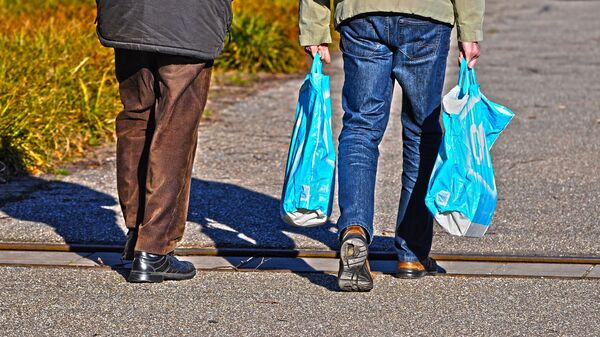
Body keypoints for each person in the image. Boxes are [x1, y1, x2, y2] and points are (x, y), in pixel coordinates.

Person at [299, 0, 484, 291]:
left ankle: (355, 229)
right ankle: (412, 253)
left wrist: (314, 26)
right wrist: (469, 30)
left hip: (362, 14)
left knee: (361, 126)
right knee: (422, 131)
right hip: (425, 16)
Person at [96, 0, 233, 283]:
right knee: (175, 127)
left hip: (127, 14)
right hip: (188, 20)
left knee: (136, 117)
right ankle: (154, 248)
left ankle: (136, 235)